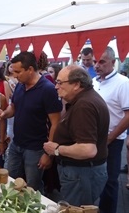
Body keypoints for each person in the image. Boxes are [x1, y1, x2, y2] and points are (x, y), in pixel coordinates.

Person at [0, 51, 62, 192]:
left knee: (33, 188)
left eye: (18, 72)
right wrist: (4, 114)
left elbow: (56, 123)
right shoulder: (20, 85)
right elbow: (14, 107)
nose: (14, 75)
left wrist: (49, 154)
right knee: (9, 182)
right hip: (16, 144)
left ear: (30, 69)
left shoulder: (47, 89)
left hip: (36, 148)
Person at [43, 65, 109, 206]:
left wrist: (56, 149)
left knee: (75, 208)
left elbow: (88, 149)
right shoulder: (85, 100)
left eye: (60, 83)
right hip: (82, 173)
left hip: (81, 174)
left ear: (77, 85)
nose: (56, 86)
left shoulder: (84, 106)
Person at [93, 46, 129, 213]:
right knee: (95, 178)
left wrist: (109, 138)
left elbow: (128, 115)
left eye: (101, 61)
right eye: (95, 62)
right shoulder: (94, 82)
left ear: (113, 63)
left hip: (112, 141)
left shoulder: (123, 83)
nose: (97, 65)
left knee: (109, 182)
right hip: (93, 139)